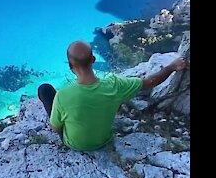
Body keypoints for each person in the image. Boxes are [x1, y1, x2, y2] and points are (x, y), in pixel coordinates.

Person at [37, 40, 187, 151]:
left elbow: (56, 129)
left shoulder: (64, 95)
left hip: (75, 144)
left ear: (70, 66)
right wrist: (171, 67)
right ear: (93, 60)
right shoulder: (115, 85)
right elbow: (150, 81)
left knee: (45, 90)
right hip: (103, 140)